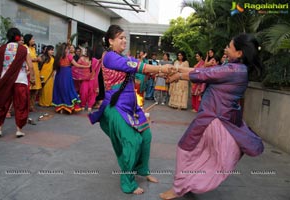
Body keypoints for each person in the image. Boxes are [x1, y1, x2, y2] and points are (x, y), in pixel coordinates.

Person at [159, 33, 264, 199]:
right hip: (216, 119)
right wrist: (177, 70)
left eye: (229, 46)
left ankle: (178, 188)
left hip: (212, 120)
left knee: (185, 148)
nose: (225, 49)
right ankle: (187, 183)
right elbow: (204, 71)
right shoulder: (236, 68)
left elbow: (203, 75)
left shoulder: (234, 70)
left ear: (239, 53)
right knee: (198, 152)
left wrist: (178, 74)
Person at [89, 25, 173, 195]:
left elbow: (137, 72)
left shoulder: (123, 57)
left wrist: (159, 74)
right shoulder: (110, 57)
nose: (124, 40)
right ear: (110, 41)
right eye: (120, 37)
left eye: (125, 37)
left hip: (132, 106)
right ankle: (128, 183)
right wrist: (160, 68)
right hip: (117, 106)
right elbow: (136, 66)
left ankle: (143, 169)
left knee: (146, 136)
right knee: (132, 141)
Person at [0, 27, 35, 137]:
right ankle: (19, 130)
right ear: (18, 37)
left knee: (2, 104)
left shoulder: (0, 48)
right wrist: (32, 77)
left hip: (4, 80)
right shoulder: (24, 49)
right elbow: (31, 66)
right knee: (20, 105)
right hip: (20, 80)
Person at [52, 42, 89, 114]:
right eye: (67, 48)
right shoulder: (69, 56)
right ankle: (68, 107)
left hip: (59, 75)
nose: (68, 50)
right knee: (68, 90)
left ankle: (61, 108)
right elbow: (77, 65)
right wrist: (86, 66)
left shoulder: (57, 57)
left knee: (60, 90)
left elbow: (55, 68)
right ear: (65, 49)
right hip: (66, 75)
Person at [24, 34, 41, 112]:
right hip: (29, 70)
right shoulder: (25, 47)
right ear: (28, 40)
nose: (34, 40)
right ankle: (25, 106)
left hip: (35, 71)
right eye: (32, 39)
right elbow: (27, 58)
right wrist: (35, 59)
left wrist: (37, 59)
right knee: (28, 90)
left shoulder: (33, 48)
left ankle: (31, 106)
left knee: (35, 90)